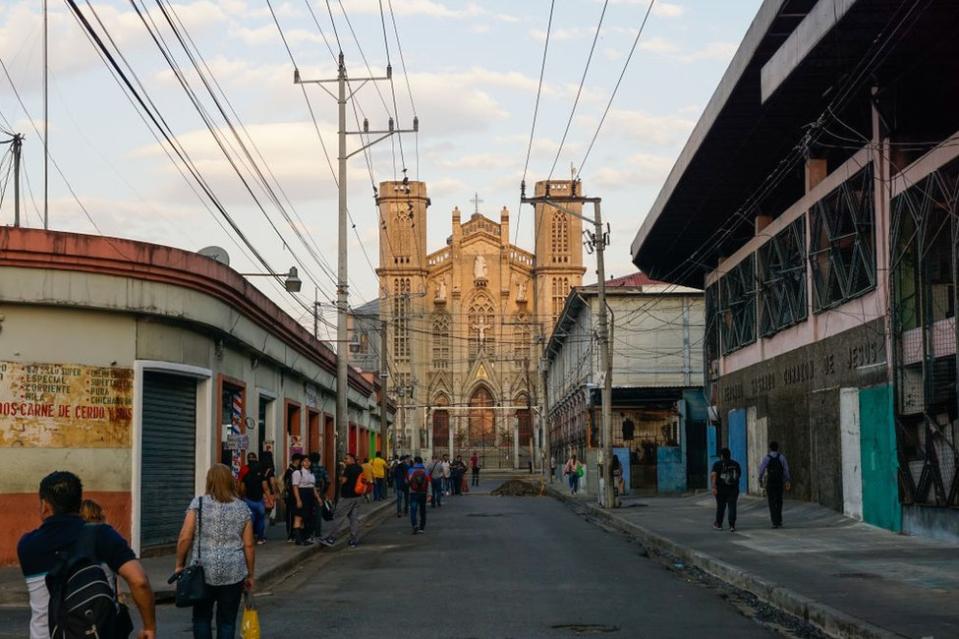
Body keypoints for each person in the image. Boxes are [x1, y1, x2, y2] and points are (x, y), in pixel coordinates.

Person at [18, 471, 157, 639]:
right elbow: (139, 580)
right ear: (79, 502)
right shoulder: (103, 535)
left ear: (45, 505)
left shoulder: (27, 545)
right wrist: (149, 627)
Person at [175, 464, 255, 639]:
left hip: (203, 572)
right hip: (233, 572)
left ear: (209, 481)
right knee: (227, 620)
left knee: (202, 618)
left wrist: (179, 564)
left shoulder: (198, 504)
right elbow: (248, 545)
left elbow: (185, 537)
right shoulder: (242, 507)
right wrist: (250, 574)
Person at [321, 453, 365, 548]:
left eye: (346, 458)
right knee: (354, 519)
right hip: (357, 496)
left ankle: (331, 538)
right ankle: (354, 540)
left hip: (347, 496)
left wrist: (341, 475)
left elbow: (343, 480)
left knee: (339, 516)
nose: (345, 460)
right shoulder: (359, 467)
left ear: (352, 459)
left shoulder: (348, 468)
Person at [758, 441, 792, 529]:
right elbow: (786, 470)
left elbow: (761, 469)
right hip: (779, 482)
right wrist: (787, 480)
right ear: (777, 448)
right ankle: (779, 520)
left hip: (771, 482)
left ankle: (774, 522)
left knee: (771, 502)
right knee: (779, 501)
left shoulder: (767, 458)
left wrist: (760, 479)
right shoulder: (781, 457)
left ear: (770, 448)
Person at [291, 455, 322, 546]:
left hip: (310, 497)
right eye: (305, 461)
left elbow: (313, 487)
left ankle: (304, 537)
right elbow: (295, 487)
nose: (307, 463)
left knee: (306, 518)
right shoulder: (297, 473)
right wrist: (298, 500)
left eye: (309, 461)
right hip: (301, 495)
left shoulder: (311, 473)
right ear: (301, 463)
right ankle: (298, 539)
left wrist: (318, 498)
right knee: (298, 517)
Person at [711, 447, 742, 532]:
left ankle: (719, 524)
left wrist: (714, 487)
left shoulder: (717, 464)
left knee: (721, 507)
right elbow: (738, 475)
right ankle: (732, 525)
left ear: (721, 456)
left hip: (721, 490)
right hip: (733, 489)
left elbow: (714, 475)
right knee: (732, 506)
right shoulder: (735, 464)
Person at [240, 460, 269, 545]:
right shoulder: (261, 476)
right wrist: (269, 499)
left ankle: (249, 537)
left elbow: (242, 489)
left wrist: (242, 497)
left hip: (248, 500)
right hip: (259, 501)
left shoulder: (246, 476)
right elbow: (266, 488)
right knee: (260, 520)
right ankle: (260, 538)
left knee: (250, 520)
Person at [282, 454, 303, 542]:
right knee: (290, 516)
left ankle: (295, 534)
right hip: (291, 497)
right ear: (296, 460)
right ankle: (290, 535)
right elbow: (288, 485)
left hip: (296, 496)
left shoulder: (297, 470)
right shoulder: (290, 471)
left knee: (296, 515)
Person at [408, 456, 431, 534]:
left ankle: (415, 525)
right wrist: (429, 494)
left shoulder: (410, 470)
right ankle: (421, 527)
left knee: (413, 510)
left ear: (415, 462)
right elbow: (429, 483)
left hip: (413, 492)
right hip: (423, 493)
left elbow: (408, 481)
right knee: (422, 510)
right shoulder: (426, 471)